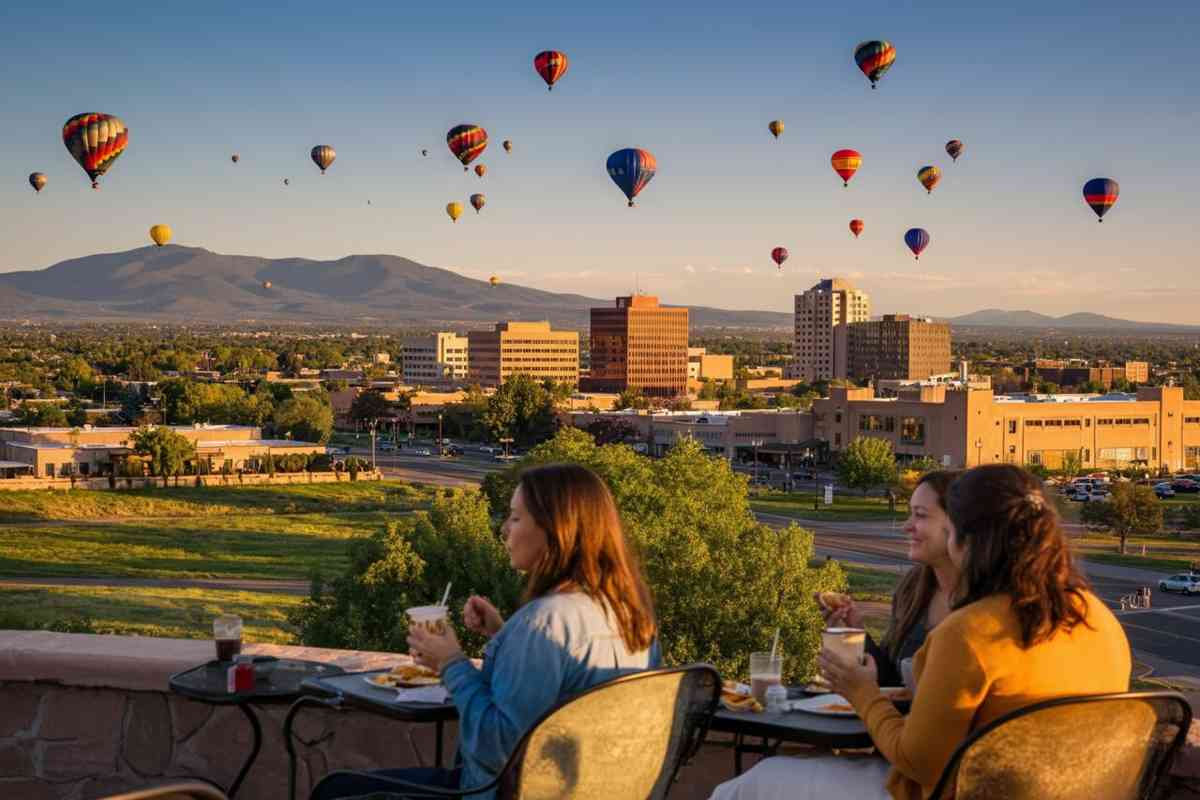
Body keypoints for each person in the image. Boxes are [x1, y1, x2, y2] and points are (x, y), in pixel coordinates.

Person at [711, 463, 1131, 800]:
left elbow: (920, 763)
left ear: (966, 540)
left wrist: (863, 693)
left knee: (748, 785)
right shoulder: (1100, 620)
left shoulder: (971, 633)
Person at [310, 463, 661, 800]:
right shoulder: (629, 614)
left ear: (556, 530)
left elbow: (496, 747)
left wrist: (451, 663)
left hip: (498, 793)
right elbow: (561, 687)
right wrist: (503, 634)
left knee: (335, 790)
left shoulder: (544, 622)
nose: (505, 530)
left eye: (516, 517)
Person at [819, 471, 959, 689]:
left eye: (920, 515)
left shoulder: (990, 602)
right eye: (910, 514)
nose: (906, 526)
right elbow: (890, 680)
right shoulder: (913, 587)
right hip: (895, 722)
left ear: (957, 523)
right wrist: (854, 631)